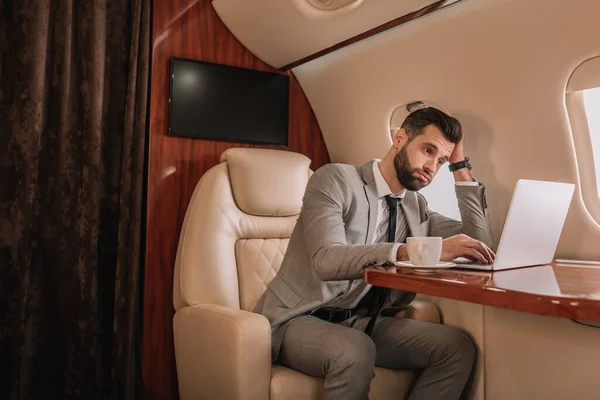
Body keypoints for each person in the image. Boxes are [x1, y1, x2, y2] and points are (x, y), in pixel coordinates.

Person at [253, 107, 495, 399]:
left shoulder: (416, 207)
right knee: (355, 348)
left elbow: (478, 244)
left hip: (361, 321)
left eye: (441, 160)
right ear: (400, 138)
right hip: (298, 319)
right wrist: (411, 251)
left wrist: (460, 167)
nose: (432, 166)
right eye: (428, 150)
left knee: (456, 348)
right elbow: (326, 260)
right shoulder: (336, 180)